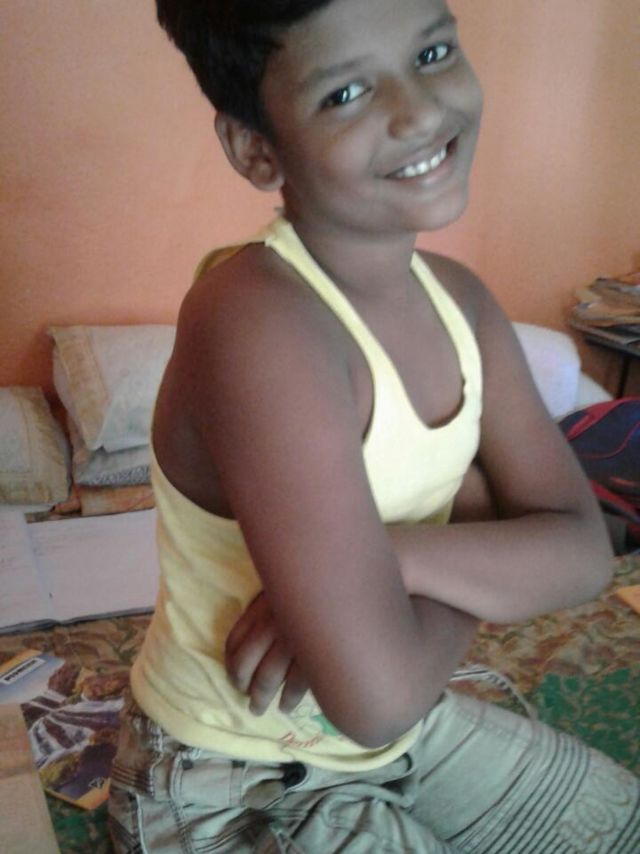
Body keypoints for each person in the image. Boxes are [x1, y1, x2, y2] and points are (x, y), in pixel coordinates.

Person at [108, 1, 640, 851]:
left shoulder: (464, 301)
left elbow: (584, 551)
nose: (420, 111)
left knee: (621, 824)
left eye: (432, 52)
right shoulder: (256, 320)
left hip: (408, 734)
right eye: (345, 93)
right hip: (230, 773)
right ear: (255, 148)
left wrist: (397, 558)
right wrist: (479, 521)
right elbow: (375, 698)